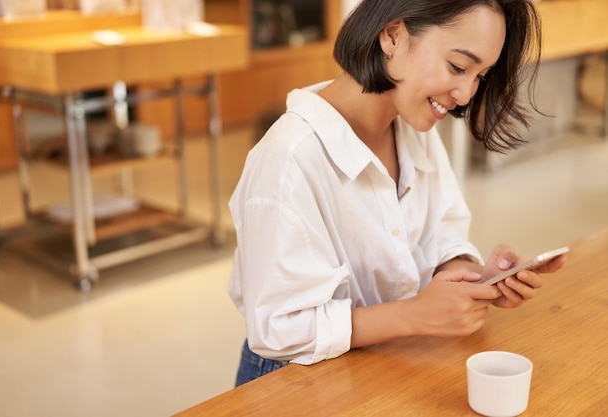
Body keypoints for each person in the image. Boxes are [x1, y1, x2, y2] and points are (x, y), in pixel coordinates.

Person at [228, 0, 566, 386]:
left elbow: (440, 235)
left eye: (480, 76)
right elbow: (279, 330)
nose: (466, 93)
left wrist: (472, 281)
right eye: (458, 67)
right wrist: (415, 314)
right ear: (392, 35)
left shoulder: (412, 127)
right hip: (294, 380)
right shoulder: (289, 159)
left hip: (385, 363)